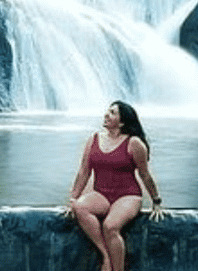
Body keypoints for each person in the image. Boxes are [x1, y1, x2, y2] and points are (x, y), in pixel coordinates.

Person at [63, 101, 164, 271]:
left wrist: (156, 200)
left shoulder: (134, 143)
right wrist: (73, 197)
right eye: (107, 111)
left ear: (122, 121)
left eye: (112, 113)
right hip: (101, 194)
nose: (106, 115)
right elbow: (83, 172)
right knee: (79, 207)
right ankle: (106, 257)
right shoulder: (93, 139)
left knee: (110, 226)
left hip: (128, 195)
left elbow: (145, 175)